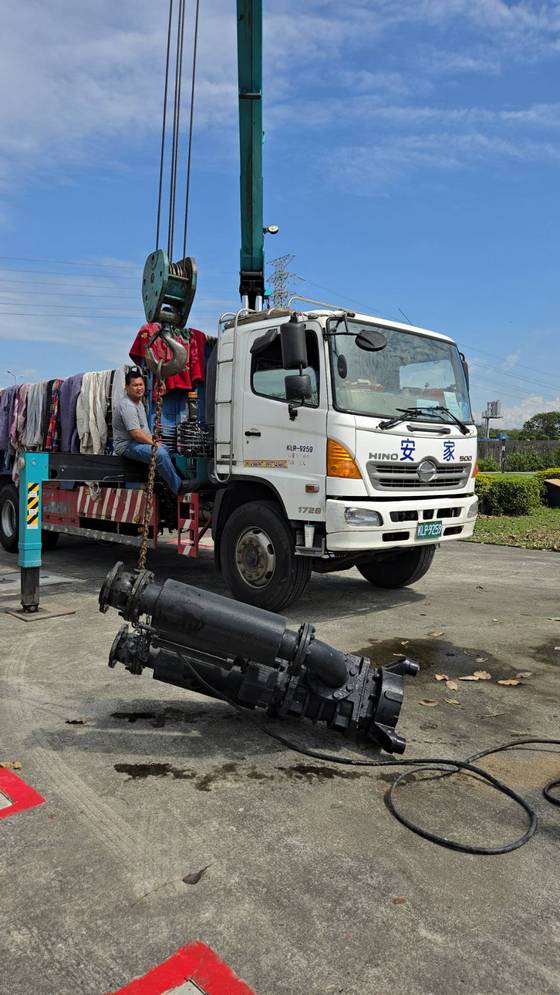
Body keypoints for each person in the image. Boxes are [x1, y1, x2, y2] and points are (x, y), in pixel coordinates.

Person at [112, 367, 186, 495]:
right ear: (127, 387)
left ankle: (170, 481)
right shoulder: (127, 406)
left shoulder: (138, 402)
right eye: (135, 385)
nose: (139, 388)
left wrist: (155, 441)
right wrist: (153, 443)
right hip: (126, 446)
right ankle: (178, 487)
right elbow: (135, 433)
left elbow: (143, 430)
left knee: (167, 450)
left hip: (136, 442)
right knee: (160, 454)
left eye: (141, 384)